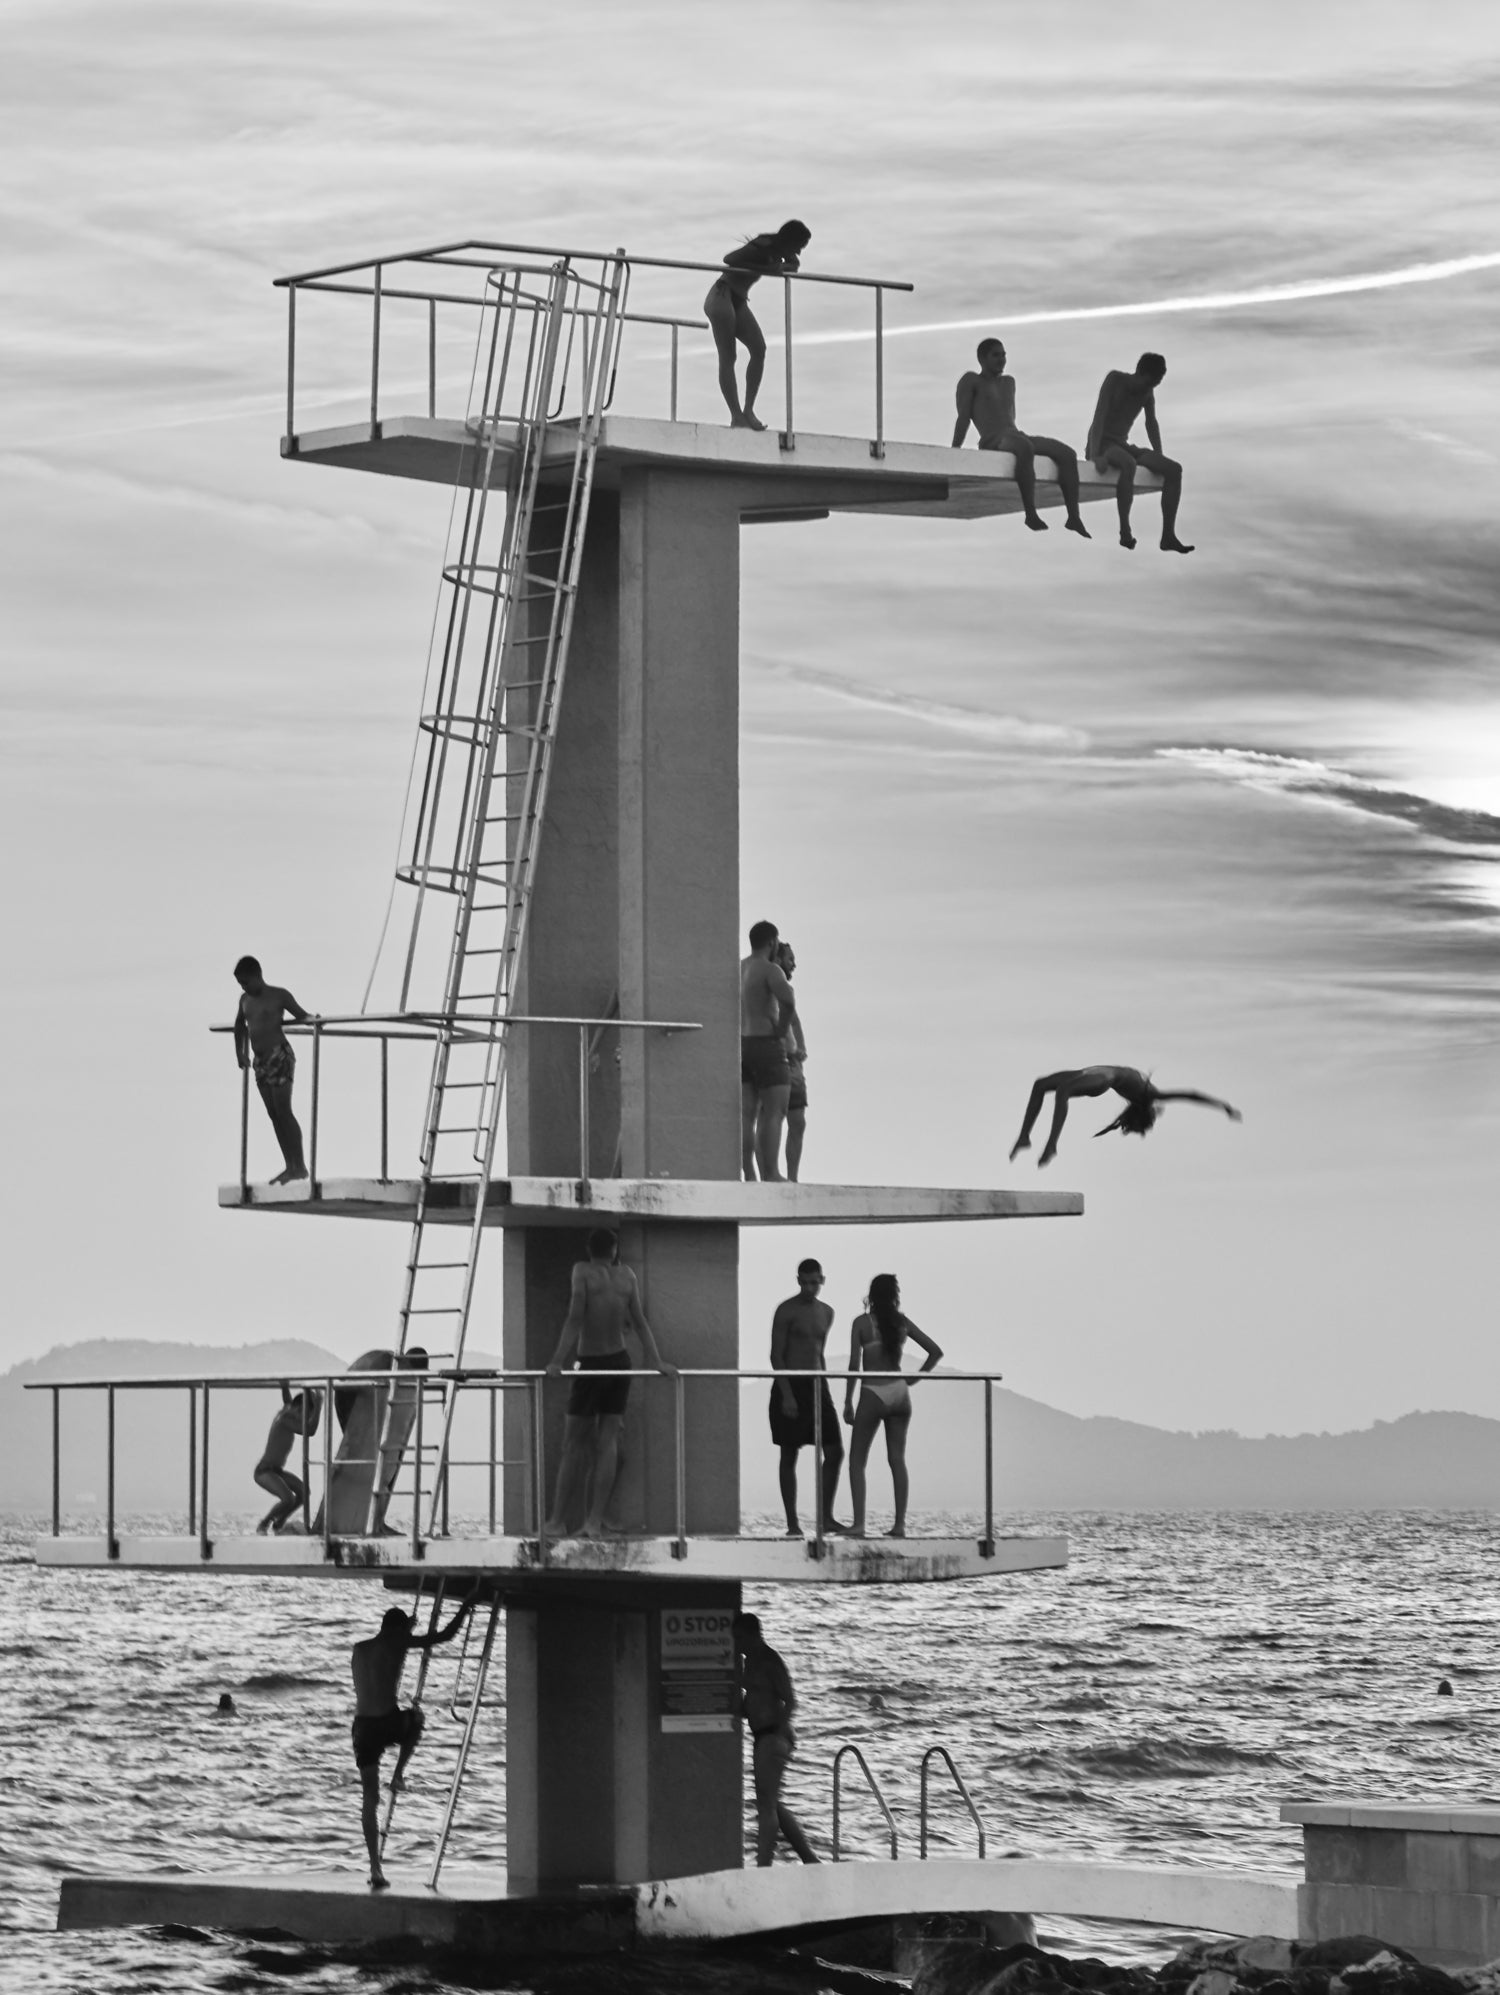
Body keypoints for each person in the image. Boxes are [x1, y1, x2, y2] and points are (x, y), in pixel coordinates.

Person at [544, 1229, 677, 1538]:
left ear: (589, 1249)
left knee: (573, 1445)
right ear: (615, 1249)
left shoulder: (582, 1271)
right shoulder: (627, 1276)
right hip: (620, 1362)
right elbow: (641, 1322)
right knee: (608, 1443)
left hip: (591, 1364)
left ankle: (557, 1521)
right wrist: (656, 1361)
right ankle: (593, 1520)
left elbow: (575, 1318)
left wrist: (556, 1360)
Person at [351, 1587, 477, 1889]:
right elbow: (444, 1636)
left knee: (369, 1799)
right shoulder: (397, 1639)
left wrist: (406, 1629)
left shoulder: (360, 1648)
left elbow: (386, 1657)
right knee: (417, 1719)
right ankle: (398, 1775)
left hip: (361, 1727)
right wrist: (465, 1607)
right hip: (386, 1723)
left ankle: (375, 1869)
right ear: (398, 1627)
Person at [952, 339, 1090, 537]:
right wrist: (955, 450)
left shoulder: (1009, 382)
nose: (1002, 359)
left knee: (1066, 453)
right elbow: (964, 417)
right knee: (1024, 447)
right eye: (996, 355)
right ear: (982, 359)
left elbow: (1009, 417)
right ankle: (1030, 513)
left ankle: (1073, 517)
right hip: (993, 440)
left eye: (1003, 355)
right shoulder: (971, 380)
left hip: (1015, 435)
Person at [843, 1275, 943, 1539]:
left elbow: (854, 1365)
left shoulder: (862, 1323)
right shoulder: (902, 1323)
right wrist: (916, 1377)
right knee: (897, 1460)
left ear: (871, 1295)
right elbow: (935, 1351)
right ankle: (899, 1526)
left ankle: (859, 1524)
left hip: (873, 1391)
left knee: (856, 1461)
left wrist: (847, 1401)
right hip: (900, 1393)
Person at [1008, 1065, 1242, 1168]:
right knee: (1040, 1085)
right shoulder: (1145, 1095)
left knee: (1062, 1092)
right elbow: (1191, 1095)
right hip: (1089, 1072)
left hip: (1103, 1079)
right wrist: (1224, 1106)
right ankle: (1024, 1137)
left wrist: (1224, 1106)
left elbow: (1190, 1095)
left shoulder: (1152, 1094)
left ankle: (1051, 1146)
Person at [704, 221, 812, 430]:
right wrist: (766, 268)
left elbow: (794, 265)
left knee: (759, 349)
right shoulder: (763, 245)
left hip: (738, 299)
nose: (799, 251)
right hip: (722, 295)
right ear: (788, 240)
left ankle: (748, 410)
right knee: (729, 357)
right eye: (798, 245)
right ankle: (736, 416)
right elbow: (728, 259)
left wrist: (782, 264)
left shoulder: (779, 251)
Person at [1085, 353, 1194, 553]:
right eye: (1149, 382)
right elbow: (1099, 416)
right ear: (1140, 373)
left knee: (1174, 470)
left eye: (1155, 384)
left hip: (1123, 445)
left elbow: (1151, 423)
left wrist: (1159, 453)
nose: (1150, 388)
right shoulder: (1115, 380)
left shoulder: (1147, 393)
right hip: (1102, 444)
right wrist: (1094, 456)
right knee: (1128, 464)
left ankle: (1168, 536)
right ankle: (1125, 531)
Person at [735, 1612, 819, 1866]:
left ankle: (763, 1865)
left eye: (738, 1638)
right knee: (772, 1802)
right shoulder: (747, 1663)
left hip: (773, 1735)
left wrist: (777, 1733)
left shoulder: (770, 1661)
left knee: (766, 1806)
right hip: (762, 1734)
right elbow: (744, 1708)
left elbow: (790, 1700)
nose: (735, 1644)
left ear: (751, 1635)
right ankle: (809, 1858)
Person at [769, 1259, 845, 1538]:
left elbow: (819, 1351)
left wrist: (824, 1386)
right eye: (805, 1282)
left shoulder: (827, 1312)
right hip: (790, 1384)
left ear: (822, 1280)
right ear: (798, 1280)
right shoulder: (786, 1310)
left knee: (835, 1451)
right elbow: (776, 1354)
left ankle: (825, 1517)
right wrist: (786, 1394)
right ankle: (792, 1523)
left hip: (817, 1385)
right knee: (789, 1453)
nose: (811, 1287)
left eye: (815, 1282)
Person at [232, 955, 311, 1184]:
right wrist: (240, 1052)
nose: (244, 987)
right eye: (240, 984)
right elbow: (239, 1025)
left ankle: (300, 1165)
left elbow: (301, 1014)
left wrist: (312, 1019)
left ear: (258, 976)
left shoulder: (278, 995)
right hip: (261, 1060)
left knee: (284, 1110)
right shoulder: (244, 1000)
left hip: (279, 1055)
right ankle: (290, 1165)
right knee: (273, 1114)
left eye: (246, 982)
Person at [741, 920, 800, 1182]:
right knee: (775, 1112)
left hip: (742, 1044)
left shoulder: (739, 968)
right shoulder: (770, 969)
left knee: (747, 1114)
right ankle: (771, 1173)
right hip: (766, 1044)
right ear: (772, 942)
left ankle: (748, 1172)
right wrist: (781, 1030)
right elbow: (788, 1000)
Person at [253, 1382, 324, 1534]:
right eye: (305, 1415)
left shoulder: (289, 1410)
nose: (304, 1420)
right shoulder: (285, 1419)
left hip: (276, 1471)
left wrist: (284, 1385)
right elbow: (310, 1431)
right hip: (264, 1471)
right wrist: (318, 1405)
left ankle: (279, 1523)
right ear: (299, 1409)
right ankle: (263, 1524)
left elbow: (288, 1401)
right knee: (288, 1499)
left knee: (304, 1492)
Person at [774, 940, 809, 1181]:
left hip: (793, 1062)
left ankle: (793, 1178)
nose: (794, 964)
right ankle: (768, 1174)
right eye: (790, 959)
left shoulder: (785, 989)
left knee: (798, 1121)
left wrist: (801, 1047)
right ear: (778, 960)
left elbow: (794, 1020)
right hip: (776, 1059)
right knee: (771, 1118)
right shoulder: (767, 984)